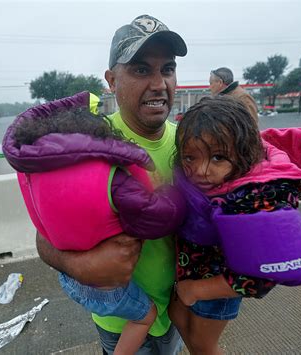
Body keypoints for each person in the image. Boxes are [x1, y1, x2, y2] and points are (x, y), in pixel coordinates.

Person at [11, 14, 188, 354]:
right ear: (111, 80)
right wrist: (76, 265)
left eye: (167, 69)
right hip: (120, 321)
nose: (158, 83)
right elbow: (45, 234)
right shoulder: (84, 145)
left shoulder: (194, 145)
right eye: (140, 69)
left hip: (178, 308)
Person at [168, 96, 301, 354]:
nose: (200, 170)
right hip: (191, 277)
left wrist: (196, 289)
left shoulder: (257, 199)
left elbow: (262, 277)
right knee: (178, 318)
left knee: (203, 345)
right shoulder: (213, 182)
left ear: (245, 153)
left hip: (216, 290)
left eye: (218, 157)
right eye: (190, 157)